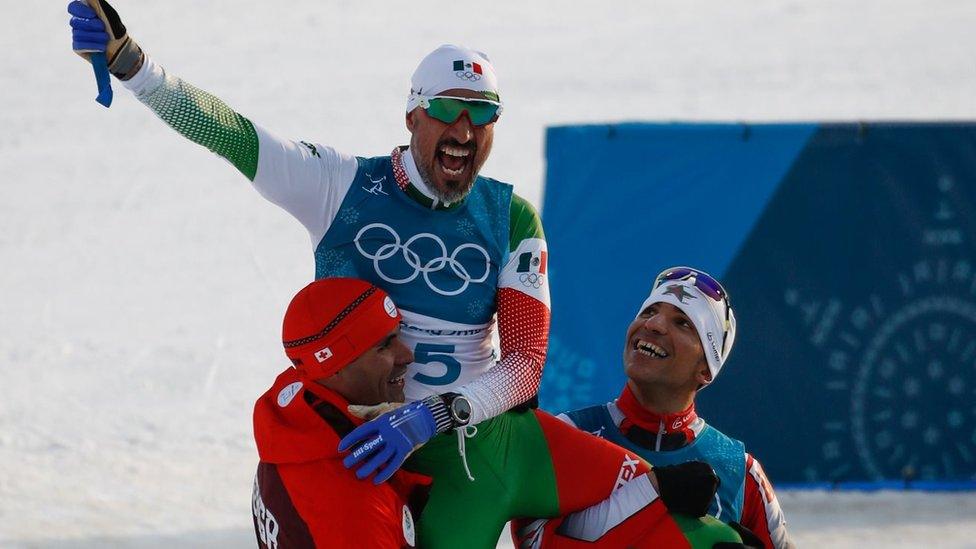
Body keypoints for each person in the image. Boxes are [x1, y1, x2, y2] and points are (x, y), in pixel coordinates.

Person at [68, 4, 720, 546]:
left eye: (484, 113)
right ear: (412, 115)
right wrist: (134, 64)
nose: (465, 128)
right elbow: (233, 135)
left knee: (655, 501)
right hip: (370, 459)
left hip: (474, 443)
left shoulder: (510, 216)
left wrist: (432, 416)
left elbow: (525, 363)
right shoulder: (339, 186)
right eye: (448, 109)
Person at [544, 267, 795, 549]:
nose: (654, 325)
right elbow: (535, 541)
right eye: (649, 312)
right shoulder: (570, 434)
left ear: (706, 369)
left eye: (682, 323)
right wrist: (656, 489)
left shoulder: (739, 469)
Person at [252, 277, 427, 548]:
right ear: (334, 367)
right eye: (384, 346)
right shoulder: (355, 502)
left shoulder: (294, 417)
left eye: (398, 335)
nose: (406, 355)